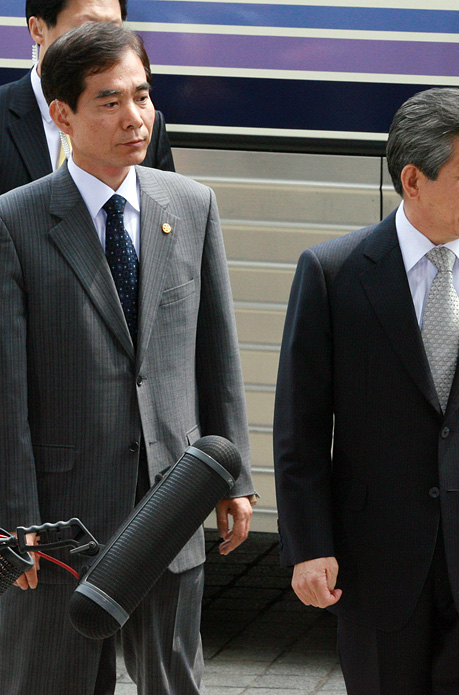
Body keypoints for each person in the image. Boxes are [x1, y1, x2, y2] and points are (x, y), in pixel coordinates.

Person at [273, 87, 459, 695]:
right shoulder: (334, 273)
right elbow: (300, 429)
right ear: (413, 180)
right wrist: (308, 545)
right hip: (375, 558)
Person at [0, 22, 254, 695]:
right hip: (62, 520)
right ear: (63, 115)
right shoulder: (16, 221)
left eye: (142, 96)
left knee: (173, 682)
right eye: (109, 101)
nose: (135, 118)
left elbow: (215, 351)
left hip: (171, 502)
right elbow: (7, 389)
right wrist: (16, 523)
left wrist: (232, 477)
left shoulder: (191, 205)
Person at [0, 0, 174, 196]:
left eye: (112, 29)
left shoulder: (143, 124)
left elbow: (164, 205)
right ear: (38, 29)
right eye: (86, 28)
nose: (100, 44)